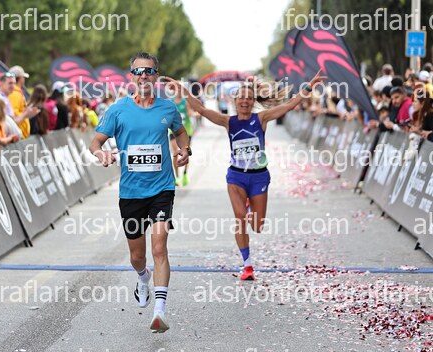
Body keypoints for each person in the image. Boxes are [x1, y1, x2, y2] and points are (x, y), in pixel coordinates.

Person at [165, 69, 325, 281]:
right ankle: (247, 265)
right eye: (241, 98)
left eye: (248, 98)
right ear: (234, 101)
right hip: (236, 177)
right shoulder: (228, 121)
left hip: (259, 177)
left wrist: (309, 86)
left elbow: (288, 105)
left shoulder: (262, 118)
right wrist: (183, 90)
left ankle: (250, 208)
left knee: (257, 226)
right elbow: (201, 109)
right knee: (240, 218)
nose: (244, 101)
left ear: (253, 101)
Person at [89, 52, 190, 333]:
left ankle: (160, 311)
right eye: (138, 71)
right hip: (131, 192)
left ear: (156, 75)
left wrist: (185, 150)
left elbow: (181, 133)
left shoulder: (167, 108)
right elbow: (95, 142)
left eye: (148, 71)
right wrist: (101, 154)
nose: (143, 75)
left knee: (159, 247)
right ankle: (143, 277)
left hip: (162, 188)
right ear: (131, 76)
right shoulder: (118, 110)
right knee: (137, 256)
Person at [169, 88, 195, 186]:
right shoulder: (171, 103)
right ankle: (177, 177)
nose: (179, 91)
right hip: (173, 131)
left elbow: (190, 113)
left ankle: (185, 174)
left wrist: (195, 114)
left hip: (186, 131)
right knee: (175, 152)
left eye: (180, 89)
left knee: (185, 152)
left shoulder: (186, 102)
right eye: (177, 89)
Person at [8, 65, 31, 138]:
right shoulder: (14, 94)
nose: (24, 79)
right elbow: (13, 115)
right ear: (20, 78)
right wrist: (26, 113)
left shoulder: (17, 92)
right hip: (18, 135)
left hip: (20, 134)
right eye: (23, 77)